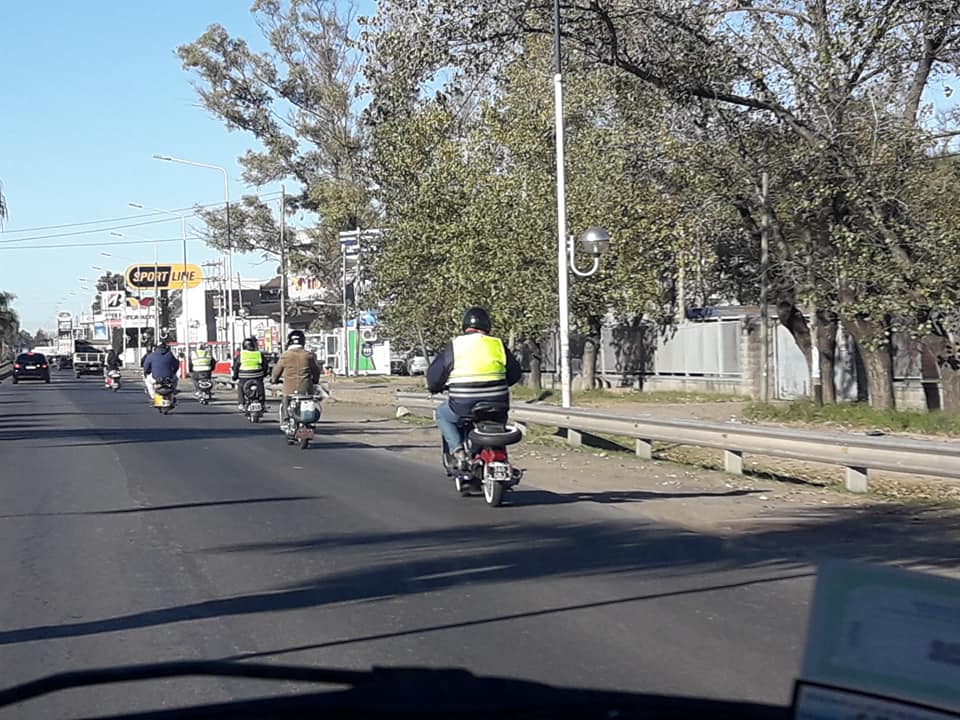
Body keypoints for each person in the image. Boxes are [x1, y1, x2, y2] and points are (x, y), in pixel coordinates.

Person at [426, 306, 523, 469]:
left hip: (463, 405)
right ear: (487, 325)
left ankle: (458, 452)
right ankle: (498, 455)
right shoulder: (498, 344)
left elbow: (435, 376)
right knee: (498, 422)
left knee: (442, 414)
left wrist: (434, 387)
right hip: (497, 403)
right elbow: (515, 374)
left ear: (465, 326)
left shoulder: (454, 346)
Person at [270, 330, 322, 424]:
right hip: (306, 388)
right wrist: (315, 380)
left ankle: (286, 419)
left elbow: (277, 371)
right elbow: (316, 371)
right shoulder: (308, 355)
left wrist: (274, 380)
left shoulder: (286, 355)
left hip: (290, 389)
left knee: (285, 398)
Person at [232, 337, 269, 411]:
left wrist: (235, 376)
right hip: (257, 375)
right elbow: (265, 365)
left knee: (240, 386)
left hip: (244, 376)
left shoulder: (241, 355)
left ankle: (241, 403)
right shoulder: (259, 354)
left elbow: (236, 366)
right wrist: (264, 373)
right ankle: (262, 403)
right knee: (260, 386)